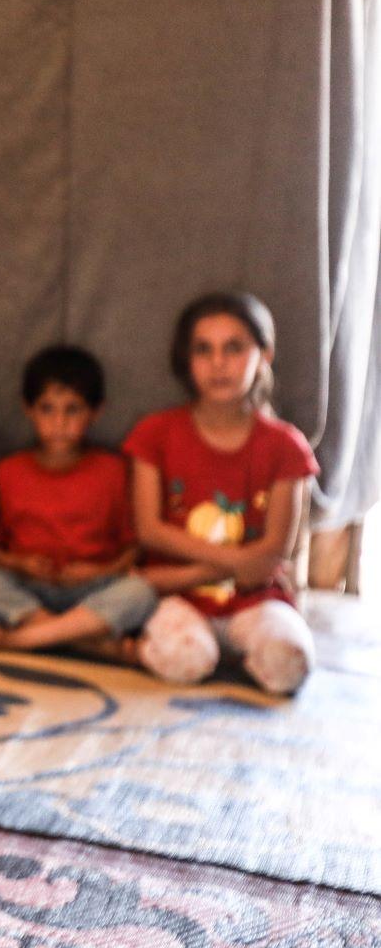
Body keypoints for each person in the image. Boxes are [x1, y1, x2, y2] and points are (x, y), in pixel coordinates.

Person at [122, 291, 319, 694]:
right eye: (203, 350)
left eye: (234, 348)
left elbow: (272, 553)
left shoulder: (286, 446)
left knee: (288, 666)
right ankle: (127, 648)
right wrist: (231, 565)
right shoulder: (155, 433)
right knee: (185, 659)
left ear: (263, 355)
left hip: (256, 597)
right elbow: (150, 530)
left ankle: (237, 650)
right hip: (176, 591)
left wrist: (249, 568)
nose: (218, 363)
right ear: (186, 359)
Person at [0, 345, 156, 658]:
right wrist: (19, 564)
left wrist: (98, 572)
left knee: (141, 592)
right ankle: (87, 643)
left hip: (92, 591)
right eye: (47, 409)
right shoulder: (8, 472)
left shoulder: (113, 471)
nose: (59, 423)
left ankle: (16, 641)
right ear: (28, 409)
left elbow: (134, 548)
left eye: (72, 410)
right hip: (28, 590)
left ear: (95, 412)